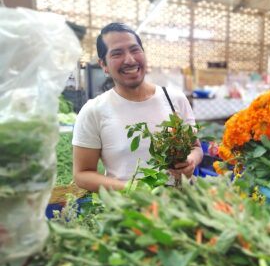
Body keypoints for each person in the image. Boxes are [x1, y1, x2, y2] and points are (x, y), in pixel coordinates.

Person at [72, 22, 203, 192]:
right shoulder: (94, 111)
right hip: (130, 211)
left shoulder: (175, 98)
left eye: (135, 50)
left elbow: (196, 148)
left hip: (181, 204)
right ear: (103, 65)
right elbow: (82, 174)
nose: (130, 60)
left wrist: (190, 161)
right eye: (117, 53)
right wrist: (131, 189)